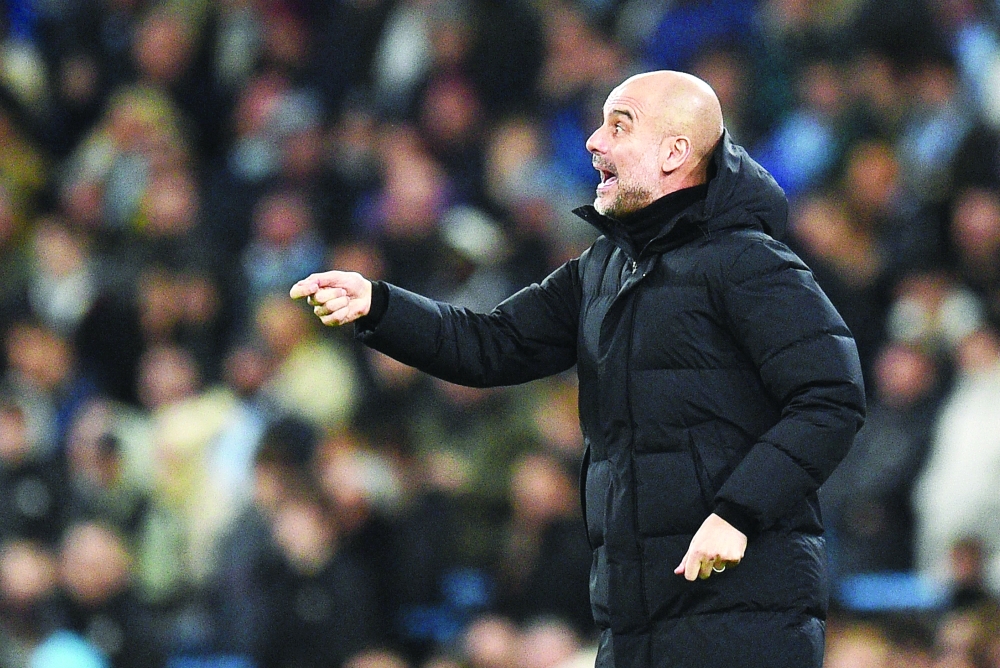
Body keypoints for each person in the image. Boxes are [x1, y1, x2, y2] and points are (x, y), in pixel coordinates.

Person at [291, 71, 866, 668]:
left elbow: (831, 397)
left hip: (745, 617)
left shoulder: (750, 262)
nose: (593, 142)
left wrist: (738, 513)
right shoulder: (602, 270)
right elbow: (490, 344)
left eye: (619, 125)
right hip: (632, 620)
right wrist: (381, 305)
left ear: (675, 153)